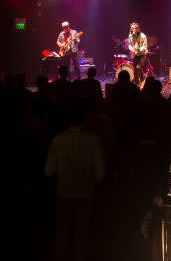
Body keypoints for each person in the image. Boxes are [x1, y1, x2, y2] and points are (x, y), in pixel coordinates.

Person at [45, 104, 105, 261]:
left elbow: (49, 170)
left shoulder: (58, 140)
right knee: (81, 236)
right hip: (85, 195)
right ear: (84, 119)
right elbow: (100, 175)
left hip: (63, 194)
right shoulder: (93, 140)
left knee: (61, 235)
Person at [128, 22, 148, 87]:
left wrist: (138, 49)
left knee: (139, 68)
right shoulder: (130, 36)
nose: (134, 30)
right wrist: (132, 49)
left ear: (138, 28)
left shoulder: (142, 36)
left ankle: (142, 82)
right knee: (135, 70)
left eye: (135, 28)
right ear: (131, 29)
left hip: (142, 55)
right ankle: (136, 84)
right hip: (135, 55)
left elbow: (144, 46)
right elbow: (130, 45)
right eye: (133, 28)